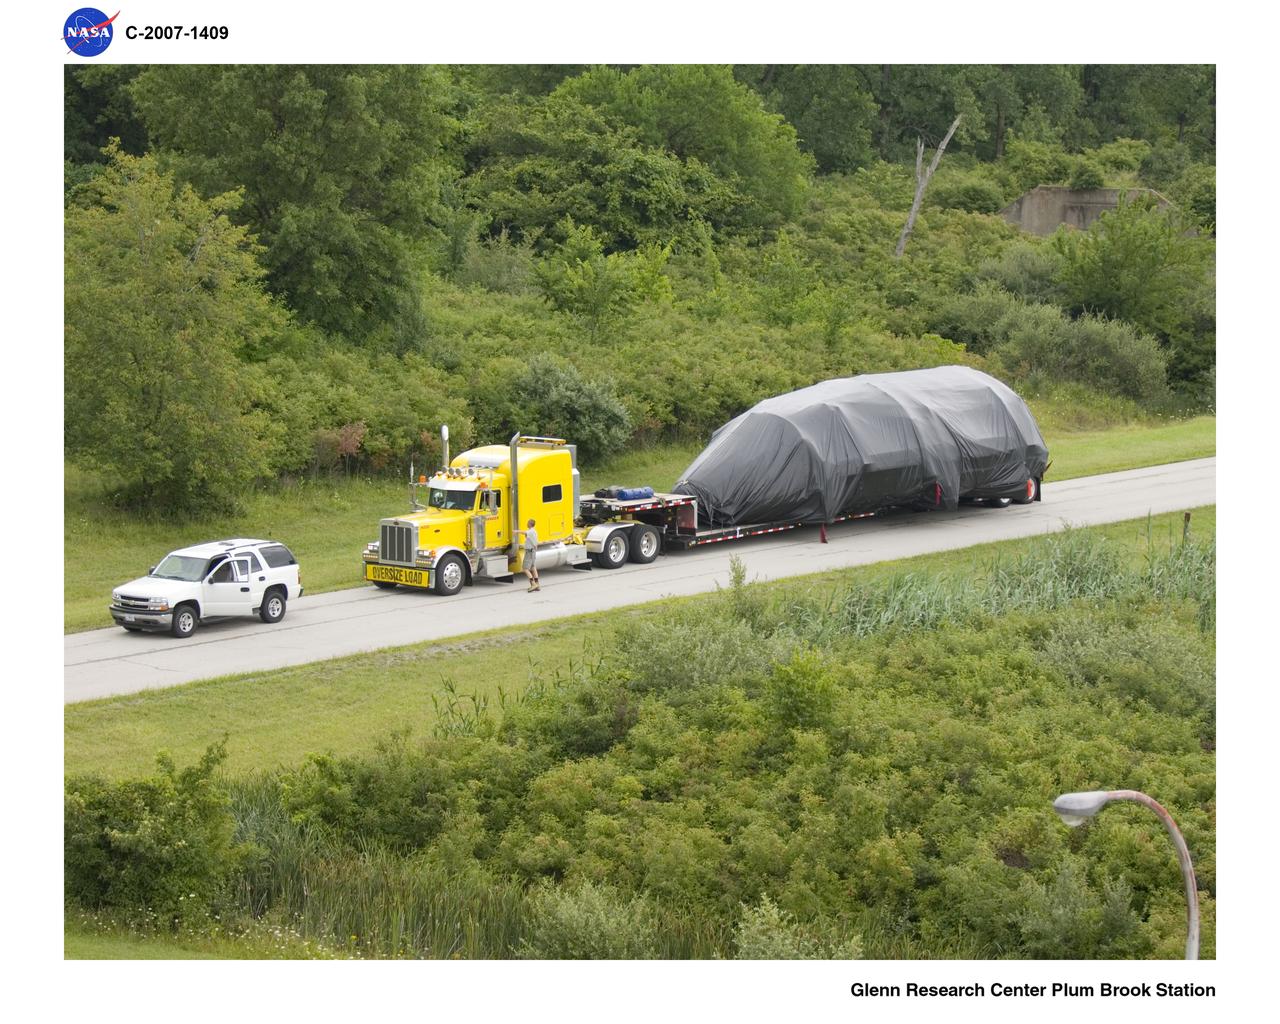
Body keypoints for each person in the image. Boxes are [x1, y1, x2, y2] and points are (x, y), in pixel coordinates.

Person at [520, 518, 540, 592]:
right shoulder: (534, 531)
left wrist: (516, 531)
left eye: (527, 523)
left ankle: (533, 584)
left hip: (529, 552)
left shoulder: (530, 531)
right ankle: (537, 584)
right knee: (533, 567)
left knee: (525, 568)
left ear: (530, 524)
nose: (526, 524)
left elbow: (524, 532)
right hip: (533, 551)